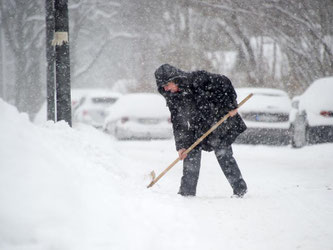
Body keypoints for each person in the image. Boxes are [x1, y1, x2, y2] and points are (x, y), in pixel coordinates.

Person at [154, 64, 248, 197]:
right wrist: (181, 146)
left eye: (167, 84)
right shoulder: (172, 97)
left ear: (175, 79)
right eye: (162, 87)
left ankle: (240, 189)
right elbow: (178, 123)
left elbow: (224, 82)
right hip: (196, 127)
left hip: (217, 122)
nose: (166, 89)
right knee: (190, 154)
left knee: (223, 154)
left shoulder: (197, 79)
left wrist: (231, 105)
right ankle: (187, 193)